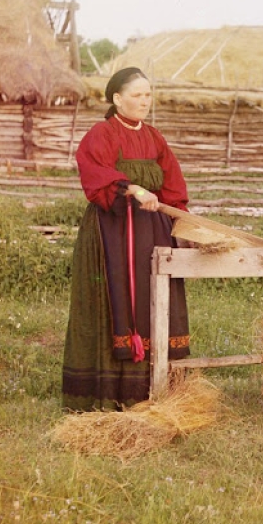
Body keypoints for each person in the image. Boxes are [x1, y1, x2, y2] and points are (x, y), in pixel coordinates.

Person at [61, 66, 191, 411]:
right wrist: (132, 188)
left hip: (153, 232)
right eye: (137, 95)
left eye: (148, 95)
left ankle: (158, 389)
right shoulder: (101, 134)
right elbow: (95, 175)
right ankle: (111, 391)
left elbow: (173, 184)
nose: (144, 101)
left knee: (154, 297)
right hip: (113, 234)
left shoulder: (154, 138)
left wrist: (183, 220)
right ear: (117, 98)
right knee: (117, 298)